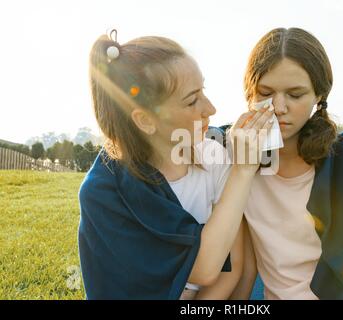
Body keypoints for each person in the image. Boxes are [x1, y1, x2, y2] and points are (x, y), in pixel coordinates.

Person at [78, 30, 274, 299]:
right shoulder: (104, 191)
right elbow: (203, 268)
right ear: (145, 120)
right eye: (192, 100)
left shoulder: (213, 155)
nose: (211, 108)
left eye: (203, 91)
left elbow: (232, 268)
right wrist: (243, 169)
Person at [227, 27, 343, 300]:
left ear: (319, 96)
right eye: (265, 92)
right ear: (249, 92)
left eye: (295, 95)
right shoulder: (229, 149)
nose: (278, 107)